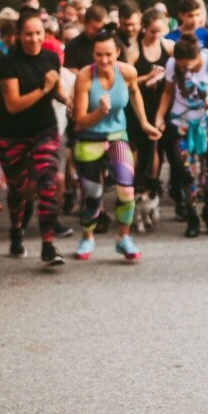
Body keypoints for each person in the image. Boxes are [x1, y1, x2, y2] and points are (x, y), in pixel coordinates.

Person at [71, 31, 162, 261]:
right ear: (93, 54)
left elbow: (134, 92)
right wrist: (99, 112)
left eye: (108, 55)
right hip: (89, 138)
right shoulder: (84, 76)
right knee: (93, 195)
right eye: (98, 55)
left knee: (127, 191)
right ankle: (87, 238)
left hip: (117, 136)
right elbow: (79, 120)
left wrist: (144, 123)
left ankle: (124, 238)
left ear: (118, 53)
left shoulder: (127, 72)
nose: (103, 60)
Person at [0, 8, 72, 266]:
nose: (34, 39)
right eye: (28, 34)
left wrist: (71, 102)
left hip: (44, 128)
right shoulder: (8, 61)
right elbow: (13, 104)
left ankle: (48, 244)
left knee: (48, 180)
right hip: (11, 132)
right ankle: (17, 229)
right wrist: (44, 88)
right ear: (18, 35)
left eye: (38, 33)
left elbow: (58, 91)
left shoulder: (51, 57)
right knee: (18, 189)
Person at [157, 34, 208, 238]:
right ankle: (192, 217)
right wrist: (159, 117)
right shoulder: (173, 63)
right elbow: (167, 92)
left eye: (188, 65)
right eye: (181, 66)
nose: (185, 69)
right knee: (185, 173)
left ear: (198, 56)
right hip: (181, 124)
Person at [133, 8, 175, 198]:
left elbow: (178, 72)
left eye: (160, 31)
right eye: (152, 31)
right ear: (144, 29)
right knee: (144, 149)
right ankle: (140, 185)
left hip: (164, 102)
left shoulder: (168, 47)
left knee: (163, 147)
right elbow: (127, 82)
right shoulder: (134, 49)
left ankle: (155, 184)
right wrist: (147, 77)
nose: (157, 35)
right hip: (142, 102)